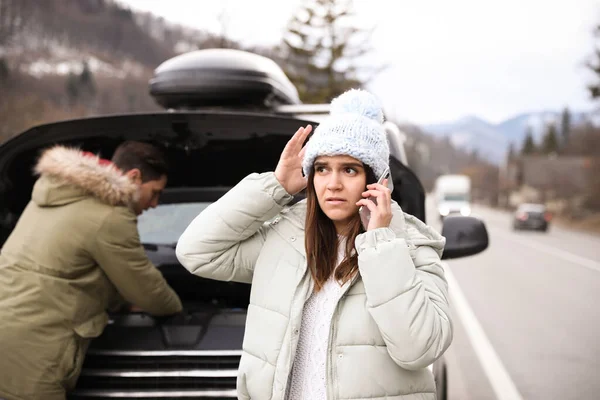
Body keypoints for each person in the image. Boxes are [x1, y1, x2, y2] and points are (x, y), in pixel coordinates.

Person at [176, 89, 452, 400]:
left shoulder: (413, 246)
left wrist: (379, 243)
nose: (333, 183)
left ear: (376, 180)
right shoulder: (284, 239)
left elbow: (420, 349)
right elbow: (195, 251)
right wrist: (275, 186)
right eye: (322, 169)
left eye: (349, 169)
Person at [0, 141, 183, 400]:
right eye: (155, 193)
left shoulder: (55, 194)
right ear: (134, 177)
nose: (155, 204)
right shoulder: (110, 215)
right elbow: (145, 288)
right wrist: (177, 309)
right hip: (34, 348)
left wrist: (119, 302)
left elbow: (70, 269)